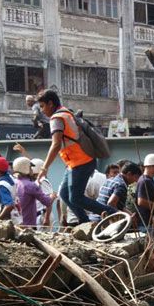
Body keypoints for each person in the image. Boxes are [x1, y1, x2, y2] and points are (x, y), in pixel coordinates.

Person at [35, 90, 114, 223]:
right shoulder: (66, 112)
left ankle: (113, 214)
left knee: (76, 198)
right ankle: (85, 223)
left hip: (80, 162)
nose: (42, 111)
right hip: (77, 163)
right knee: (65, 195)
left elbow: (55, 145)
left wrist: (44, 168)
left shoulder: (56, 118)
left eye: (42, 106)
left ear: (50, 103)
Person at [13, 157, 55, 228]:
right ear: (26, 168)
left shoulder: (13, 183)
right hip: (29, 225)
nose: (31, 170)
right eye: (30, 167)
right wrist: (52, 196)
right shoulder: (31, 185)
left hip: (15, 223)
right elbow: (47, 202)